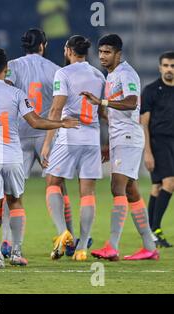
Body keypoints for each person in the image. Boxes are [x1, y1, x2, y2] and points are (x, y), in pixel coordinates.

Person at [0, 48, 79, 268]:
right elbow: (35, 122)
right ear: (6, 70)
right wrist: (61, 123)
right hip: (12, 156)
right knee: (15, 202)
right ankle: (16, 252)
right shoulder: (17, 93)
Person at [6, 28, 88, 256]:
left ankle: (7, 243)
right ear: (43, 45)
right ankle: (68, 236)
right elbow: (59, 106)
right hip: (46, 132)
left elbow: (6, 92)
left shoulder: (12, 66)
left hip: (19, 133)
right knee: (57, 184)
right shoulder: (56, 69)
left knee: (13, 192)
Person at [84, 34, 159, 261]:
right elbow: (117, 113)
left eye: (108, 52)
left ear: (118, 53)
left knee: (117, 188)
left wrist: (102, 103)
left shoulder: (126, 74)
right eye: (101, 52)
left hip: (128, 137)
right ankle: (149, 246)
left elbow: (131, 102)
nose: (103, 56)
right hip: (120, 137)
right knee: (130, 190)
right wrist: (109, 141)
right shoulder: (112, 76)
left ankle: (113, 245)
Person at [41, 35, 105, 261]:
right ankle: (82, 247)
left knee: (53, 181)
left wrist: (47, 143)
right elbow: (103, 112)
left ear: (68, 50)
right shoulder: (98, 75)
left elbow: (56, 110)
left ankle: (62, 232)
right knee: (87, 192)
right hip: (92, 136)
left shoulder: (64, 73)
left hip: (70, 135)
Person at [140, 51, 174, 248]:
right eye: (166, 65)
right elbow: (144, 123)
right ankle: (154, 229)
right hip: (158, 142)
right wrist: (147, 151)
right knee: (169, 183)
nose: (170, 69)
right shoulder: (152, 90)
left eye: (173, 66)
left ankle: (152, 231)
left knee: (157, 188)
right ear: (160, 67)